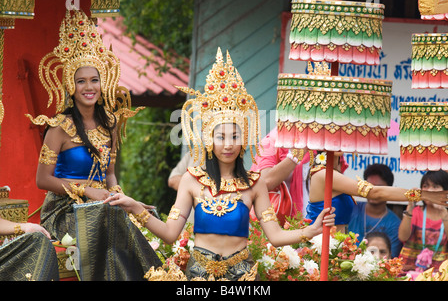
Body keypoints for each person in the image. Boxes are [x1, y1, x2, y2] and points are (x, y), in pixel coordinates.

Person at [104, 48, 336, 281]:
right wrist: (135, 207)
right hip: (198, 276)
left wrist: (311, 230)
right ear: (208, 140)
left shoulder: (254, 184)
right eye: (221, 137)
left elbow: (275, 236)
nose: (228, 145)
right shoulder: (191, 179)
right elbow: (170, 233)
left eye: (234, 137)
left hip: (243, 276)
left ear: (243, 140)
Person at [26, 8, 162, 280]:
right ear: (71, 86)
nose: (89, 87)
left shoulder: (110, 122)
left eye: (94, 80)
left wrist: (121, 199)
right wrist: (86, 191)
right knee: (110, 221)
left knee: (142, 214)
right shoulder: (59, 127)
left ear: (103, 83)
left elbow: (109, 174)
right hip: (64, 210)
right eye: (81, 81)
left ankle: (160, 275)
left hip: (102, 205)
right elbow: (43, 180)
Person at [306, 151, 448, 234]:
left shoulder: (333, 174)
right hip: (321, 246)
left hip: (335, 247)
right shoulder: (323, 174)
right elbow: (374, 193)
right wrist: (424, 195)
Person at [250, 128, 312, 224]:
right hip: (283, 222)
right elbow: (265, 181)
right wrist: (296, 155)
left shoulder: (317, 137)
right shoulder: (271, 141)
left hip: (316, 218)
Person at [398, 170, 448, 277]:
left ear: (445, 191)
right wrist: (410, 207)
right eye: (425, 186)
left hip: (438, 274)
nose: (429, 190)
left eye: (435, 186)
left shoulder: (446, 215)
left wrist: (445, 217)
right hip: (409, 273)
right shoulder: (415, 212)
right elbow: (402, 237)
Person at [348, 164, 402, 257]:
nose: (373, 191)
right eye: (369, 186)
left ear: (389, 189)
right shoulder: (351, 207)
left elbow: (390, 259)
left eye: (378, 188)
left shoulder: (395, 224)